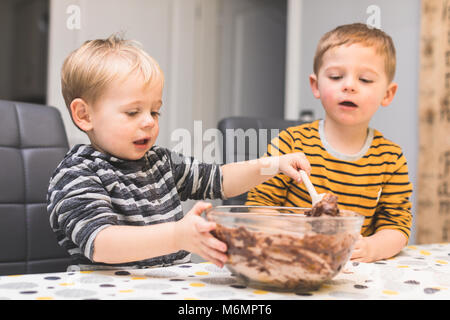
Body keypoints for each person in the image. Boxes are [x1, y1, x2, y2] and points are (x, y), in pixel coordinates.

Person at [47, 34, 311, 271]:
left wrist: (272, 165)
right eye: (132, 112)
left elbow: (220, 180)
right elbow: (101, 243)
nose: (149, 121)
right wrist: (177, 236)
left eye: (154, 111)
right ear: (84, 115)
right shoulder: (77, 173)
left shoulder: (161, 163)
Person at [246, 23, 413, 263]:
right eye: (336, 77)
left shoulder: (390, 158)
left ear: (387, 93)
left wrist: (371, 248)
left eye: (365, 80)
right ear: (316, 85)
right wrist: (286, 235)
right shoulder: (289, 143)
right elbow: (259, 206)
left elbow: (397, 226)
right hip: (290, 260)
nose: (349, 85)